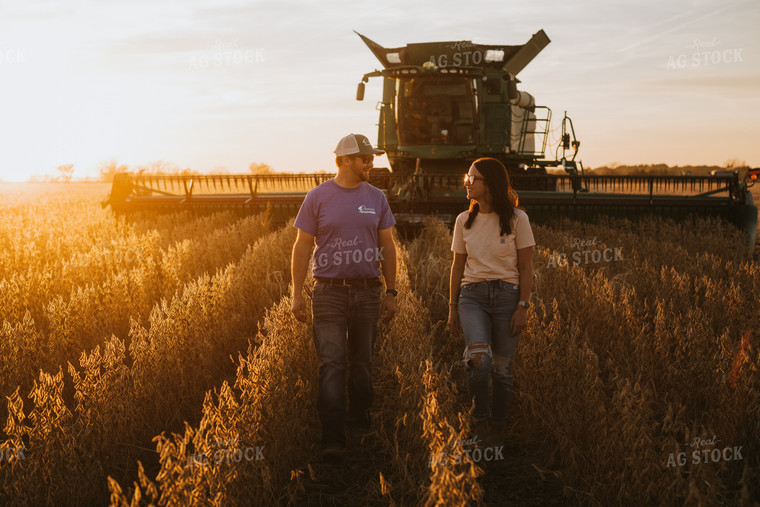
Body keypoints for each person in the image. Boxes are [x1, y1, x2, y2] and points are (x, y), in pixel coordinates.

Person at [291, 133, 398, 463]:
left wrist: (391, 291)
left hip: (368, 291)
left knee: (362, 365)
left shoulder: (376, 197)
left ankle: (360, 421)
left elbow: (388, 246)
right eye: (366, 159)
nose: (371, 163)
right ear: (347, 160)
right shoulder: (318, 196)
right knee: (332, 365)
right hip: (328, 293)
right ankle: (333, 436)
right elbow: (302, 246)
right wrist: (296, 293)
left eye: (371, 158)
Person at [446, 157, 534, 448]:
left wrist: (522, 307)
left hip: (508, 297)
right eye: (467, 178)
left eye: (473, 178)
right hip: (472, 297)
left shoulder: (518, 219)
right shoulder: (463, 220)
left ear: (490, 184)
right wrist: (451, 308)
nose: (467, 183)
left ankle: (497, 428)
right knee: (478, 360)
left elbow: (526, 268)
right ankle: (480, 422)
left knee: (502, 368)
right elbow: (457, 268)